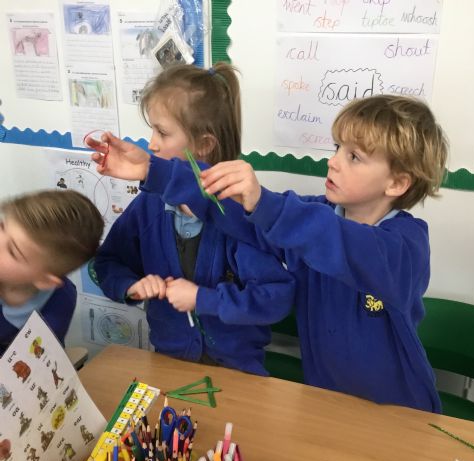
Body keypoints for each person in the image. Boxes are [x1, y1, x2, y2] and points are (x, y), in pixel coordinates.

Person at [87, 94, 447, 412]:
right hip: (327, 400)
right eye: (337, 148)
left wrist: (263, 202)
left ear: (397, 182)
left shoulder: (406, 244)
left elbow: (339, 242)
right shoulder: (310, 216)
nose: (334, 162)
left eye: (354, 156)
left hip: (401, 409)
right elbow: (234, 214)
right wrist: (155, 172)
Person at [89, 62, 294, 376]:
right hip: (168, 361)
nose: (152, 143)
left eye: (162, 132)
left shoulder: (238, 214)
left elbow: (275, 298)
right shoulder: (149, 206)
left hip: (235, 369)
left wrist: (203, 299)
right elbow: (106, 263)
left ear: (204, 145)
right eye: (152, 129)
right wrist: (132, 286)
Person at [0, 189, 104, 355]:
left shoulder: (59, 304)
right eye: (2, 227)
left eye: (12, 251)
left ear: (45, 281)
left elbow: (36, 360)